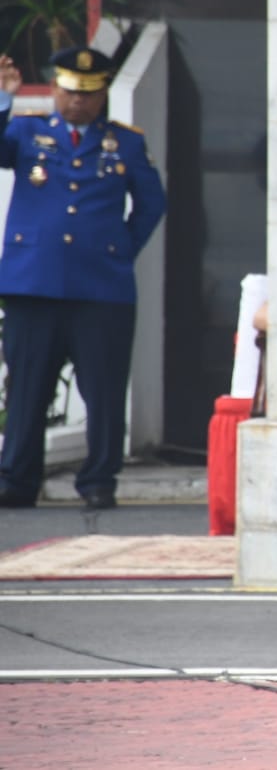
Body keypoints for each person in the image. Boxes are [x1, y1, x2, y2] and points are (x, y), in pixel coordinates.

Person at [0, 48, 167, 509]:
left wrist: (120, 250)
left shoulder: (125, 143)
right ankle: (17, 479)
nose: (79, 103)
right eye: (71, 92)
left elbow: (152, 204)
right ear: (54, 88)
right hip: (34, 283)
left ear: (103, 94)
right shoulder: (27, 129)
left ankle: (98, 481)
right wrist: (2, 100)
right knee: (28, 385)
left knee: (105, 390)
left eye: (89, 94)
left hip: (100, 288)